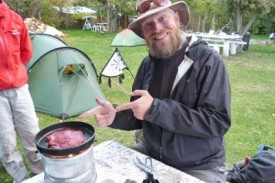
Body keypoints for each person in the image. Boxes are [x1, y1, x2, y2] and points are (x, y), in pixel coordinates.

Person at [79, 0, 231, 182]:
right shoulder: (148, 64)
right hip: (151, 153)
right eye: (149, 25)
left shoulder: (207, 60)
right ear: (143, 34)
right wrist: (115, 115)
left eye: (163, 18)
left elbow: (217, 121)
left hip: (199, 164)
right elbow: (141, 112)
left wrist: (156, 109)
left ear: (178, 19)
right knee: (97, 172)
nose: (157, 28)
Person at [0, 0, 44, 182]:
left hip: (20, 88)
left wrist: (14, 72)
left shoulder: (15, 19)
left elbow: (26, 52)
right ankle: (21, 178)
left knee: (32, 133)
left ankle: (40, 174)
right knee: (6, 142)